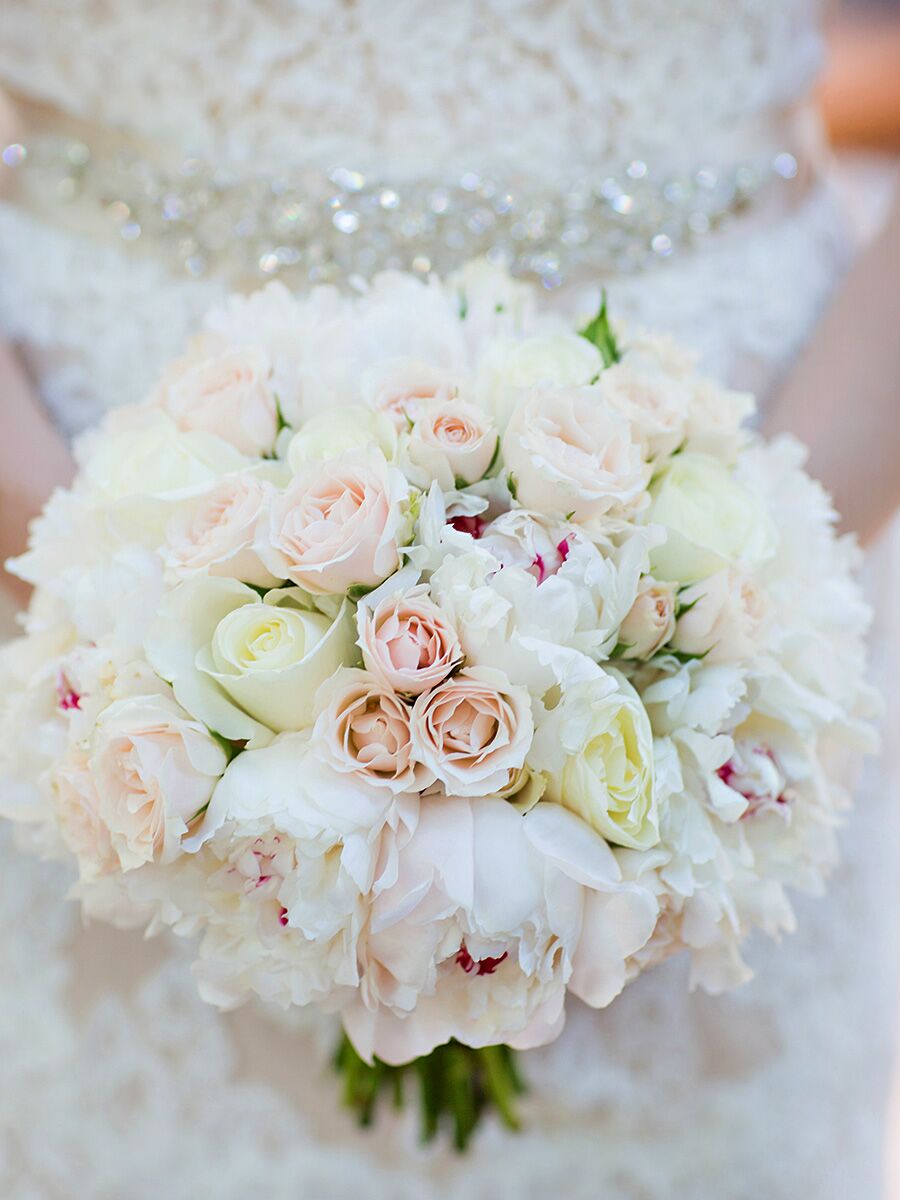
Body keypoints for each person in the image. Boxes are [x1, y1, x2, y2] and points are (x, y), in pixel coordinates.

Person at [0, 4, 897, 1197]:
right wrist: (104, 609)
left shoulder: (731, 591)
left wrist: (725, 618)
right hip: (97, 482)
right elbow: (95, 591)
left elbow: (741, 601)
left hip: (749, 461)